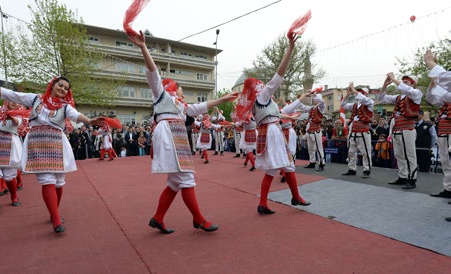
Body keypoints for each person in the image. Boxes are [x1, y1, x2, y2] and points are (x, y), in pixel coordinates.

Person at [128, 30, 238, 234]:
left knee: (174, 182)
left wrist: (223, 100)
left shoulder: (180, 105)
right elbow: (153, 74)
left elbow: (200, 107)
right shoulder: (160, 95)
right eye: (180, 88)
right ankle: (199, 219)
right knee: (186, 178)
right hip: (169, 134)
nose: (182, 92)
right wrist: (143, 47)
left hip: (177, 136)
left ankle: (158, 218)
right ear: (171, 88)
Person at [0, 77, 101, 233]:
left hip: (57, 144)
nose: (62, 89)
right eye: (60, 85)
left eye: (66, 88)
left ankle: (53, 211)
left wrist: (89, 120)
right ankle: (55, 219)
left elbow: (76, 115)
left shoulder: (65, 106)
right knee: (46, 180)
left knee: (59, 181)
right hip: (37, 142)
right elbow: (8, 93)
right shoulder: (35, 98)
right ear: (52, 85)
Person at [233, 29, 310, 215]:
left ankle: (265, 203)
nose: (263, 85)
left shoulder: (257, 103)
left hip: (267, 133)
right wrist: (290, 49)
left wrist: (290, 115)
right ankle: (295, 196)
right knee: (287, 164)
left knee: (271, 170)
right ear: (257, 88)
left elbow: (281, 112)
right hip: (273, 133)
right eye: (260, 84)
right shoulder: (263, 96)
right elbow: (279, 77)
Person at [378, 73, 422, 189]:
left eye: (406, 82)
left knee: (409, 155)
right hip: (397, 129)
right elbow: (381, 98)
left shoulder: (416, 94)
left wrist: (394, 79)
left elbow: (409, 91)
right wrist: (385, 85)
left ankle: (412, 179)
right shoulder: (398, 97)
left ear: (413, 83)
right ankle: (403, 176)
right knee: (398, 155)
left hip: (407, 128)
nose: (403, 84)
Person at [424, 49, 451, 204]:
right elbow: (432, 98)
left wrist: (432, 66)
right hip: (444, 131)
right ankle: (448, 189)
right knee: (446, 162)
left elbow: (446, 85)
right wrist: (433, 82)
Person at [340, 83, 374, 178]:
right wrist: (348, 94)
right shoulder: (355, 105)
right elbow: (342, 104)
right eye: (357, 92)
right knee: (351, 151)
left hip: (363, 129)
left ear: (365, 94)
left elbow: (364, 100)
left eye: (360, 92)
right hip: (354, 129)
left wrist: (354, 90)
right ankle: (352, 169)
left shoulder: (369, 102)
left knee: (365, 152)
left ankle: (366, 169)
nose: (357, 94)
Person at [299, 93, 326, 171]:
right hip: (309, 131)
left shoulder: (321, 108)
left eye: (315, 98)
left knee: (319, 148)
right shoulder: (311, 108)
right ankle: (312, 162)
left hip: (316, 130)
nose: (314, 99)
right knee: (311, 148)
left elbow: (322, 102)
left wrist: (314, 94)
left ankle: (321, 163)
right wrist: (300, 99)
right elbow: (302, 107)